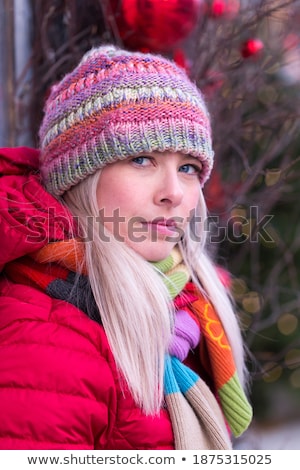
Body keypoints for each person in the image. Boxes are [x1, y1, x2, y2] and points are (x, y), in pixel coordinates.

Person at [0, 45, 252, 450]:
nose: (173, 192)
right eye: (141, 159)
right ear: (78, 180)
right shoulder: (45, 343)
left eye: (188, 167)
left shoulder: (182, 310)